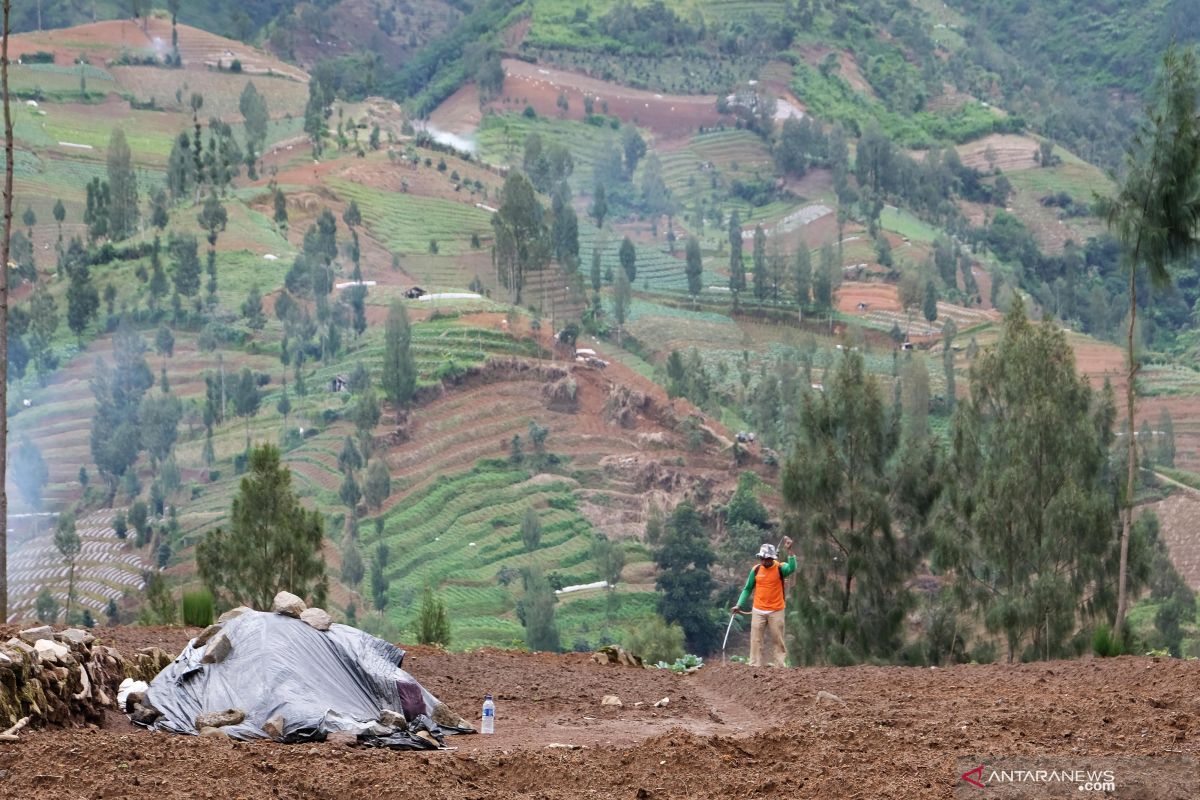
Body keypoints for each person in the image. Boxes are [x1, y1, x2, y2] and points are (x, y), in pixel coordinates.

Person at [730, 537, 795, 667]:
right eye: (762, 558)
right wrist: (739, 604)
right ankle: (754, 665)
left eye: (767, 559)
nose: (764, 561)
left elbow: (792, 568)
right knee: (756, 639)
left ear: (773, 558)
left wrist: (790, 551)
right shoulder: (756, 570)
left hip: (776, 610)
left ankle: (780, 666)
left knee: (778, 639)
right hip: (758, 610)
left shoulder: (780, 568)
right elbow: (747, 589)